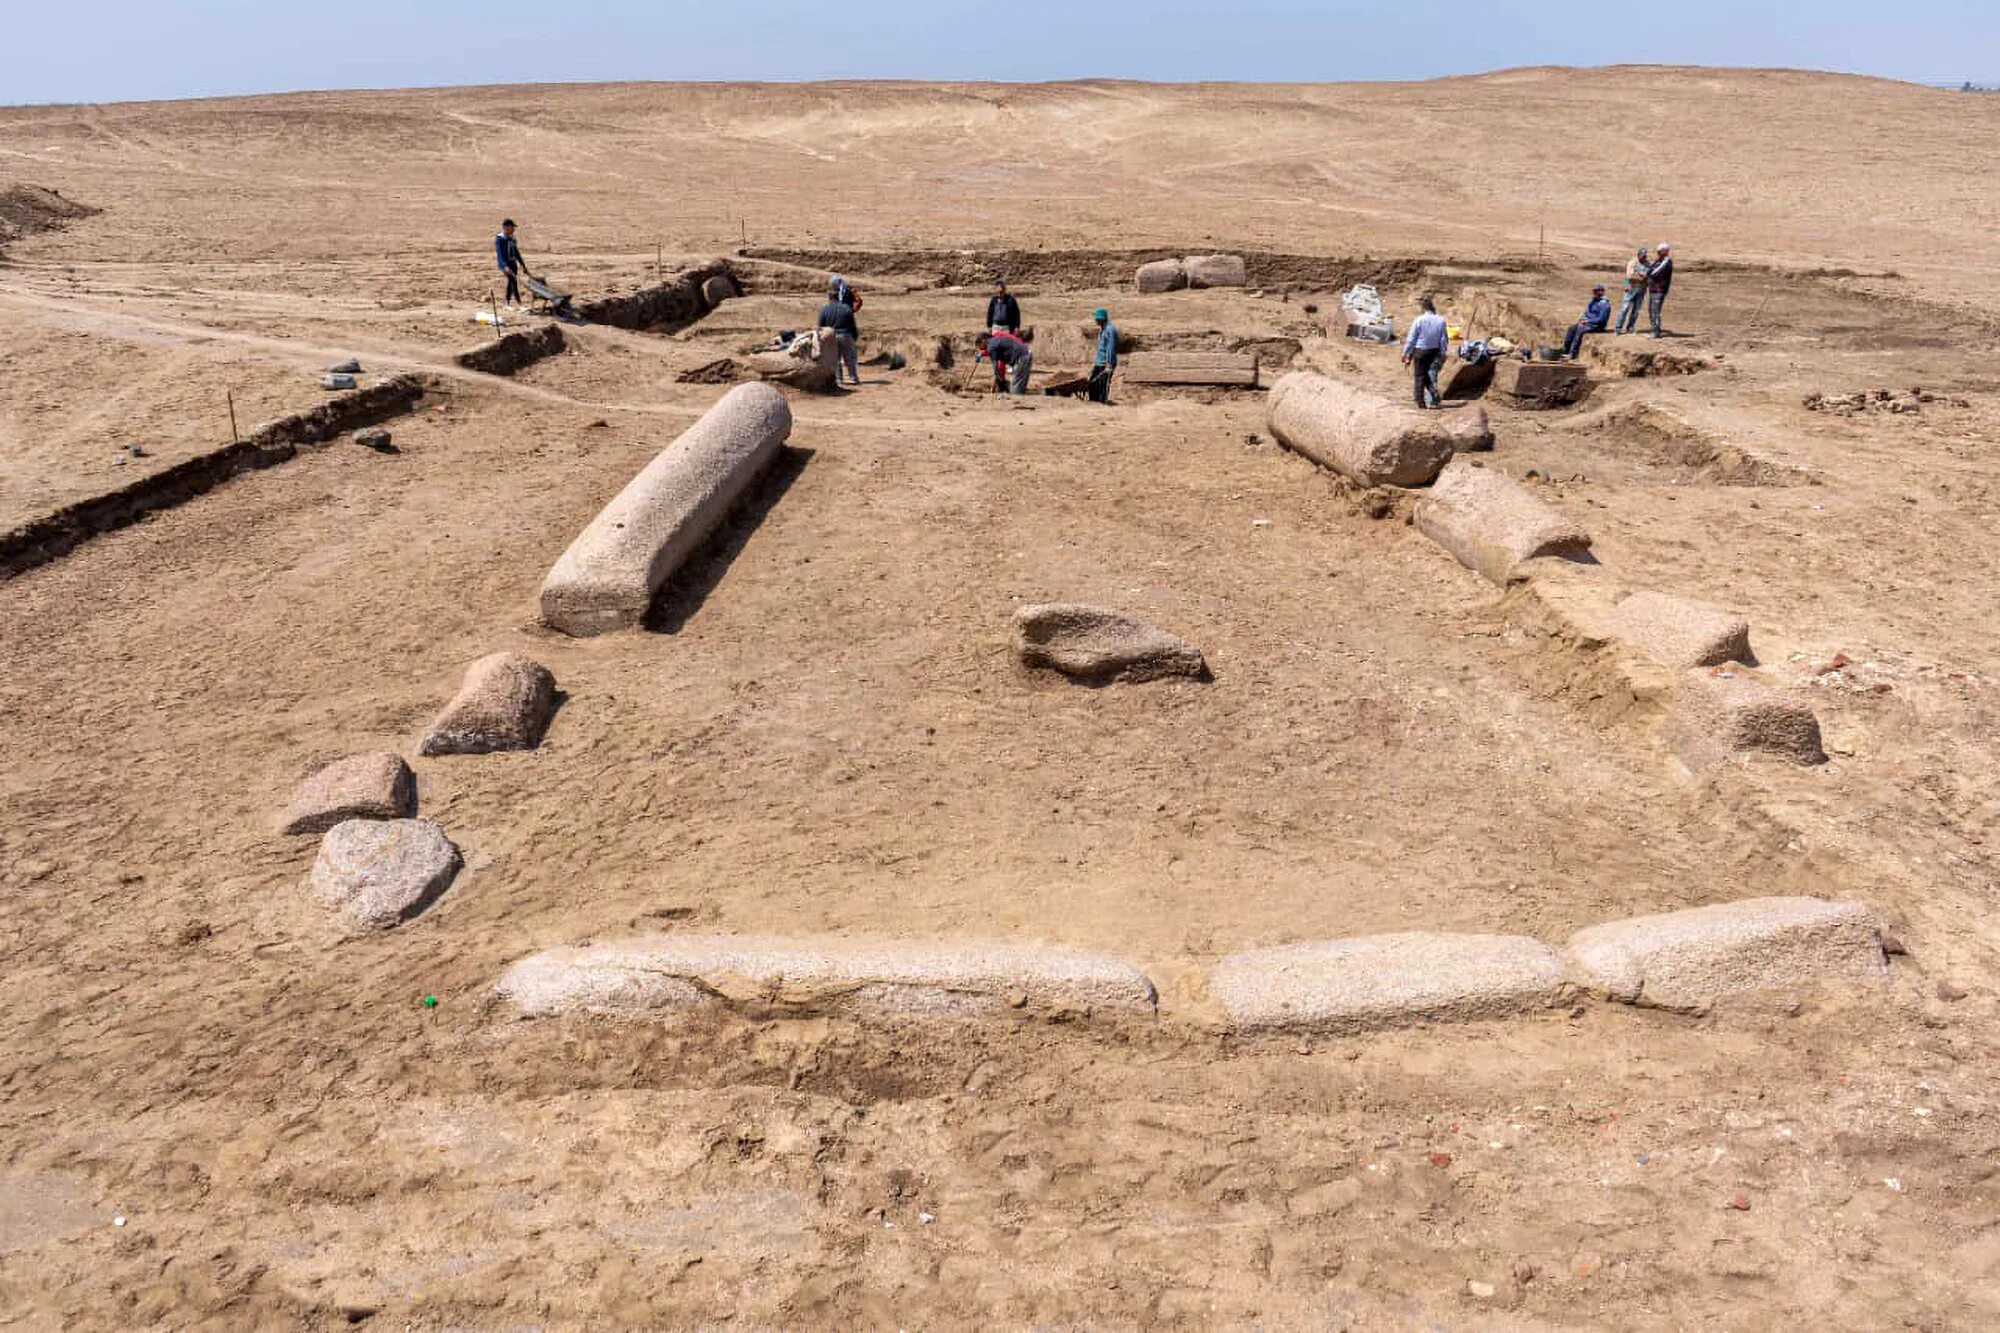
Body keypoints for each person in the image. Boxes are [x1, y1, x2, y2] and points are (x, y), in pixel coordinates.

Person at [1401, 297, 1449, 409]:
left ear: (1423, 309)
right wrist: (1443, 351)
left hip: (1420, 351)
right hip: (1434, 351)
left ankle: (1420, 402)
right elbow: (1443, 339)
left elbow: (1411, 339)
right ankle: (1433, 394)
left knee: (1419, 376)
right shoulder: (1441, 320)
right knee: (1427, 375)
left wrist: (1405, 353)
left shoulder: (1419, 320)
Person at [816, 289, 860, 386]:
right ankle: (853, 377)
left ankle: (839, 380)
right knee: (850, 358)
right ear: (839, 297)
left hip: (831, 337)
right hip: (846, 335)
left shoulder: (824, 309)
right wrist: (855, 336)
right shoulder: (846, 308)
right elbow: (852, 325)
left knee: (836, 359)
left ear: (829, 298)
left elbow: (820, 326)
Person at [1562, 285, 1613, 359]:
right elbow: (1587, 312)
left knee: (1580, 329)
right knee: (1571, 328)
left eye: (1596, 291)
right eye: (1594, 291)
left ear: (1601, 292)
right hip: (1588, 322)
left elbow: (1601, 319)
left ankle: (1572, 353)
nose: (1594, 293)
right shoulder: (1593, 301)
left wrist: (1588, 320)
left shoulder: (1604, 304)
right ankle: (1565, 350)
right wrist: (1583, 318)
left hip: (1597, 326)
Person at [977, 329, 1033, 395]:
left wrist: (999, 377)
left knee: (1016, 393)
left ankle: (1042, 393)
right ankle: (1043, 392)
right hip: (1025, 354)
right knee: (1018, 385)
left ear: (983, 341)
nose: (979, 348)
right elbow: (999, 361)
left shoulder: (991, 346)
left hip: (1021, 358)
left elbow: (996, 365)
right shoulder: (995, 340)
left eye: (979, 346)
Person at [1615, 247, 1650, 334]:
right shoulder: (1633, 263)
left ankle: (1630, 327)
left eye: (1645, 256)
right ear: (1638, 255)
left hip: (1642, 290)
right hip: (1631, 288)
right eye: (1642, 256)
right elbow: (1630, 276)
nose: (1644, 258)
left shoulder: (1648, 264)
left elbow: (1649, 276)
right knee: (1625, 308)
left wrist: (1641, 276)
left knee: (1636, 310)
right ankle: (1618, 327)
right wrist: (1642, 276)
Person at [494, 219, 529, 306]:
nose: (513, 229)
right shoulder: (500, 239)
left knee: (511, 283)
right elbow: (500, 255)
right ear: (505, 227)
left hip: (513, 264)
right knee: (513, 282)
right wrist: (504, 266)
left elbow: (516, 253)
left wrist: (523, 265)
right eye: (512, 227)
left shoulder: (512, 238)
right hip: (505, 265)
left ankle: (507, 303)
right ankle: (519, 304)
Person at [1088, 307, 1117, 404]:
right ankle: (1093, 403)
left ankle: (1101, 404)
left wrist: (1109, 364)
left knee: (1102, 385)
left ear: (1101, 319)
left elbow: (1111, 348)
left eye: (1097, 319)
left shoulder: (1110, 330)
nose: (1095, 321)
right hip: (1099, 362)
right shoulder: (1102, 329)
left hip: (1105, 363)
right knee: (1092, 383)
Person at [1646, 243, 1674, 338]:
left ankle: (1656, 332)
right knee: (1651, 311)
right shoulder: (1659, 261)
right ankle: (1654, 329)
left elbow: (1653, 273)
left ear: (1665, 251)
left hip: (1659, 290)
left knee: (1655, 311)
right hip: (1653, 290)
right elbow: (1649, 271)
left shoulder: (1666, 262)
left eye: (1659, 251)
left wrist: (1652, 270)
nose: (1658, 253)